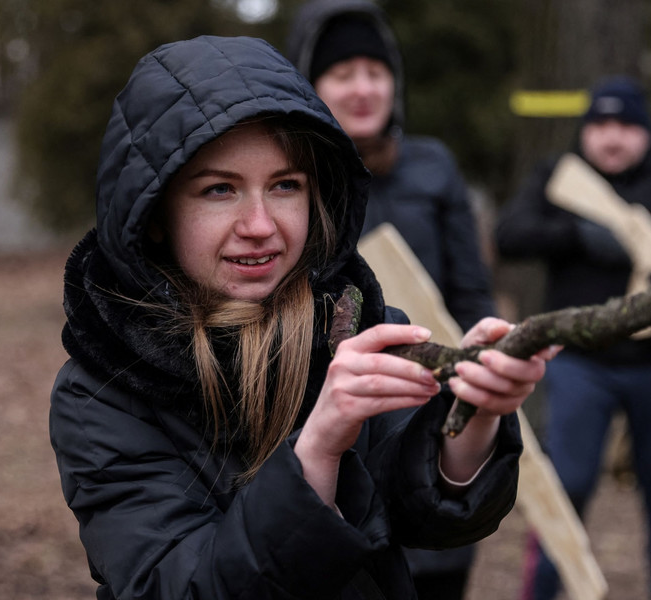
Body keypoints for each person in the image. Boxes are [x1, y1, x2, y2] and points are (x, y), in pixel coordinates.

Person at [50, 35, 555, 599]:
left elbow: (428, 511)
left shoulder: (353, 323)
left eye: (285, 186)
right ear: (155, 215)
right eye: (220, 190)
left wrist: (475, 413)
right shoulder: (102, 390)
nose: (260, 224)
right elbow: (177, 585)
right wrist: (318, 448)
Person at [284, 3, 498, 597]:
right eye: (343, 73)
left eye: (375, 71)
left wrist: (478, 379)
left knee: (440, 557)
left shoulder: (433, 167)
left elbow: (470, 286)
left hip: (429, 400)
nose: (363, 88)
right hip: (331, 409)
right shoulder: (290, 181)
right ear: (311, 83)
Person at [496, 76, 651, 600]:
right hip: (579, 364)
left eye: (625, 126)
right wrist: (576, 235)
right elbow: (510, 234)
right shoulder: (559, 175)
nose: (612, 138)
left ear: (646, 132)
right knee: (566, 487)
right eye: (600, 125)